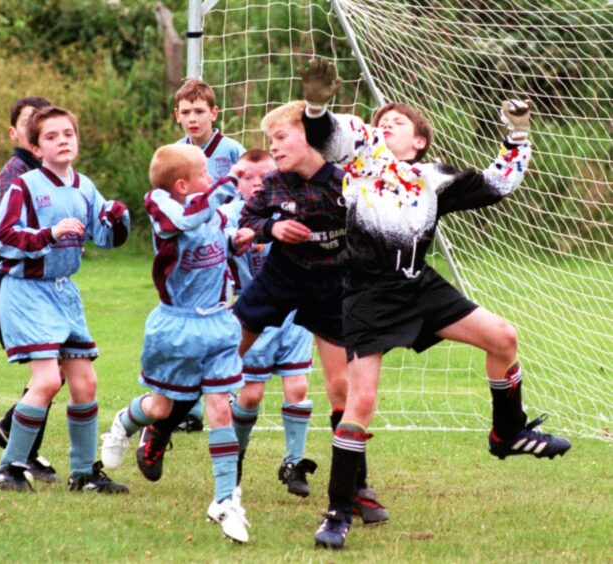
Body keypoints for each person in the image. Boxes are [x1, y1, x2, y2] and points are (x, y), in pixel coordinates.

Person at [297, 58, 572, 550]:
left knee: (503, 337)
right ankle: (338, 512)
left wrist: (518, 136)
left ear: (419, 142)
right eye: (380, 121)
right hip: (368, 295)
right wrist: (316, 105)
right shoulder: (360, 158)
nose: (386, 125)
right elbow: (326, 135)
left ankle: (506, 434)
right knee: (362, 402)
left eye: (397, 122)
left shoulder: (433, 178)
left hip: (420, 286)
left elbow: (498, 183)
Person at [231, 101, 389, 523]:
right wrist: (272, 229)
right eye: (270, 140)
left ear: (313, 138)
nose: (274, 147)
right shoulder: (274, 182)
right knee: (222, 355)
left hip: (331, 287)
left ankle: (356, 488)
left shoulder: (345, 182)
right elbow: (249, 220)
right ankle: (165, 428)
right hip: (280, 279)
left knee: (342, 387)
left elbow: (374, 230)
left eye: (281, 137)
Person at [100, 144, 254, 543]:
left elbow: (217, 240)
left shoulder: (211, 209)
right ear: (183, 183)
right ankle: (123, 424)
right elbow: (187, 221)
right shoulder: (161, 205)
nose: (210, 178)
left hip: (219, 322)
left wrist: (238, 241)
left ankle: (225, 501)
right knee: (162, 406)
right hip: (176, 328)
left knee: (220, 407)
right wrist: (229, 181)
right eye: (204, 174)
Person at [0, 105, 130, 494]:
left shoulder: (85, 186)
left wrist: (118, 219)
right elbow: (1, 240)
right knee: (48, 380)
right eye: (51, 136)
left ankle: (84, 473)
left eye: (68, 133)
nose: (62, 140)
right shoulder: (25, 186)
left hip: (64, 292)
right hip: (27, 292)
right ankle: (9, 468)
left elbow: (105, 237)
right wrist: (48, 234)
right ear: (35, 148)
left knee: (85, 383)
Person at [223, 149, 318, 498]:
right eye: (248, 177)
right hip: (254, 311)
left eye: (264, 177)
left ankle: (293, 463)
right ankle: (235, 455)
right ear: (237, 181)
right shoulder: (231, 215)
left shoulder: (291, 206)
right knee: (251, 395)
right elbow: (216, 246)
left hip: (294, 314)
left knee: (298, 389)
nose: (256, 184)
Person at [0, 96, 60, 483]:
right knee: (47, 369)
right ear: (16, 132)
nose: (36, 129)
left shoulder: (51, 172)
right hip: (9, 278)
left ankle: (17, 439)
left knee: (54, 369)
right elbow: (5, 239)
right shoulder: (15, 173)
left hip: (42, 281)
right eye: (29, 123)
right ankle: (18, 451)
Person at [169, 78, 247, 432]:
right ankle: (192, 408)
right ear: (177, 116)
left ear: (214, 113)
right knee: (192, 326)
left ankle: (225, 393)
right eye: (186, 112)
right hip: (193, 255)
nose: (193, 118)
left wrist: (228, 223)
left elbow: (248, 193)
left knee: (225, 323)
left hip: (230, 248)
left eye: (199, 111)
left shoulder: (231, 150)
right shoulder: (175, 154)